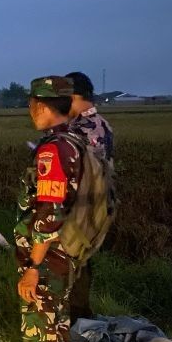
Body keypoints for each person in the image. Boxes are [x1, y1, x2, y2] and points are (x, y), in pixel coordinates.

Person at [11, 76, 83, 342]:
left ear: (40, 105)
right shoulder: (73, 141)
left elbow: (48, 215)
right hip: (60, 258)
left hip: (47, 262)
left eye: (30, 104)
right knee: (49, 331)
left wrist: (33, 268)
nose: (30, 111)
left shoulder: (54, 150)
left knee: (48, 337)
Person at [64, 71, 114, 324]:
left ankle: (78, 319)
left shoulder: (88, 128)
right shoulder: (89, 125)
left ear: (75, 96)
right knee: (77, 261)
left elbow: (81, 171)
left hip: (84, 207)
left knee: (76, 259)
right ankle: (77, 316)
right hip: (87, 205)